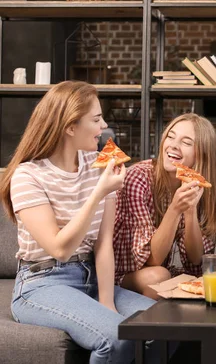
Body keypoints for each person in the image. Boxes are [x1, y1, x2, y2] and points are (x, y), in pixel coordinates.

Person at [0, 81, 156, 363]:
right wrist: (100, 192)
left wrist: (107, 301)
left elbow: (103, 243)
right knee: (115, 337)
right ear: (70, 127)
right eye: (96, 120)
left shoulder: (99, 165)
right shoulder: (27, 176)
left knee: (163, 328)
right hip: (41, 284)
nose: (104, 126)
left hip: (92, 279)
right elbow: (59, 248)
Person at [113, 113, 216, 299]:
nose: (173, 145)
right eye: (170, 137)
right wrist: (175, 209)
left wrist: (190, 211)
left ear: (202, 154)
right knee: (160, 275)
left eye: (186, 142)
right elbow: (151, 260)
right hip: (117, 274)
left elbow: (195, 263)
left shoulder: (198, 186)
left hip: (158, 273)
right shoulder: (138, 178)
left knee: (199, 281)